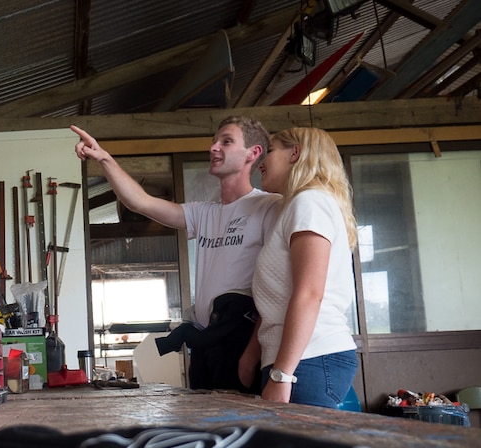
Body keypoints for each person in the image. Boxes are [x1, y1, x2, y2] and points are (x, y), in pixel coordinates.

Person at [72, 117, 281, 392]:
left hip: (243, 344)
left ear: (253, 154)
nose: (214, 148)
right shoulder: (204, 212)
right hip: (207, 343)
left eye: (226, 141)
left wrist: (252, 354)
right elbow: (140, 201)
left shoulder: (269, 207)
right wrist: (105, 159)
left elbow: (276, 291)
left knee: (243, 429)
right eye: (214, 141)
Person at [249, 127, 358, 408]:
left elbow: (310, 293)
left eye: (270, 150)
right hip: (302, 359)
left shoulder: (310, 201)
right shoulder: (304, 204)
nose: (262, 162)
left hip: (308, 359)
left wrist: (282, 374)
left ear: (295, 152)